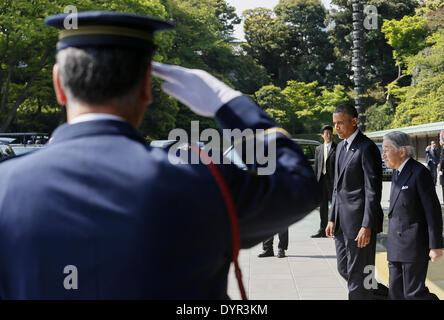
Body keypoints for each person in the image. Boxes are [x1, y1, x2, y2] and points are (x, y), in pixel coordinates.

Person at [0, 11, 320, 299]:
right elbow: (299, 187)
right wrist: (231, 105)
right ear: (146, 89)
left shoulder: (5, 185)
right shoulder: (200, 182)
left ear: (58, 83)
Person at [325, 103, 384, 300]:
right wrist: (332, 218)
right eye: (335, 124)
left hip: (360, 225)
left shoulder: (366, 148)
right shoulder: (340, 147)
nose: (336, 128)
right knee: (345, 269)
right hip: (341, 223)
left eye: (340, 123)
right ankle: (390, 295)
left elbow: (372, 190)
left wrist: (367, 224)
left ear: (354, 121)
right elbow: (336, 186)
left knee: (359, 277)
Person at [382, 131, 443, 300]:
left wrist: (435, 245)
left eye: (387, 149)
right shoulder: (396, 173)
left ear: (402, 151)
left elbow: (433, 211)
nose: (383, 154)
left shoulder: (419, 173)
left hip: (413, 245)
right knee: (395, 294)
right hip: (395, 245)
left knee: (414, 294)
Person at [312, 125, 336, 238]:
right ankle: (322, 229)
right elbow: (317, 166)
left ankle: (334, 229)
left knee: (335, 205)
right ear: (322, 135)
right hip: (321, 181)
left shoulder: (337, 147)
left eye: (330, 133)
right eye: (326, 133)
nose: (328, 135)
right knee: (323, 207)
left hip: (333, 181)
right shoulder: (318, 149)